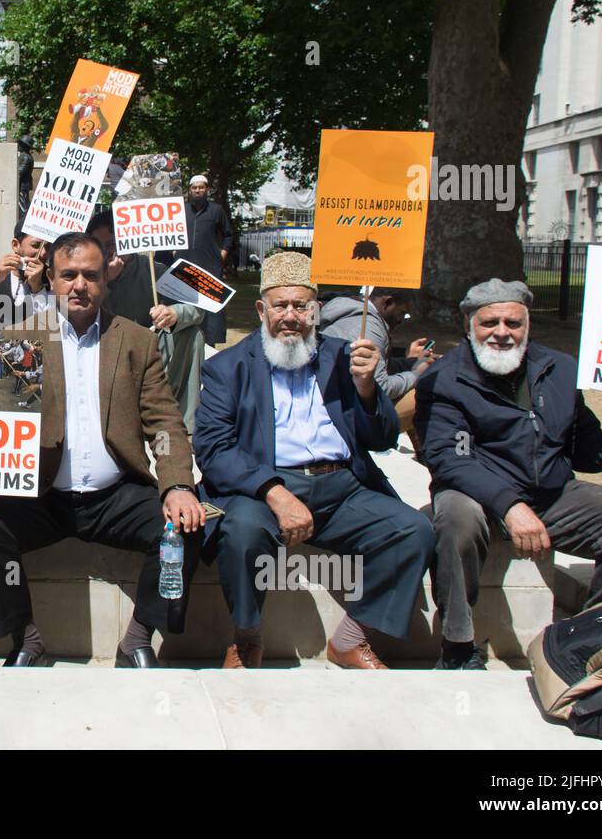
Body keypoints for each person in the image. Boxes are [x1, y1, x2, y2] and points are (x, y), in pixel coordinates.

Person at [0, 231, 205, 668]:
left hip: (116, 495)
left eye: (90, 275)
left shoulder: (135, 341)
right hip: (43, 494)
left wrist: (178, 485)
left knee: (183, 528)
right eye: (68, 275)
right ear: (50, 279)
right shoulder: (17, 340)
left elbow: (164, 422)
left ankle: (138, 637)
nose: (79, 285)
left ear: (105, 281)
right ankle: (26, 637)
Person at [195, 252, 435, 670]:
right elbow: (214, 449)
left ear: (316, 310)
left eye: (301, 305)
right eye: (280, 305)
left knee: (413, 529)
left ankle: (350, 639)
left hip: (342, 486)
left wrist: (366, 389)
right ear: (261, 309)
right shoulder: (227, 368)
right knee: (242, 532)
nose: (291, 316)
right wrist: (275, 494)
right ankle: (246, 638)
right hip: (265, 486)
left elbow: (380, 438)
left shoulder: (346, 358)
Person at [416, 279, 602, 670]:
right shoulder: (443, 379)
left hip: (551, 496)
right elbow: (449, 459)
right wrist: (510, 506)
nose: (501, 332)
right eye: (489, 322)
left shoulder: (560, 370)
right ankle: (458, 645)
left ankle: (594, 639)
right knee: (455, 521)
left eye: (513, 323)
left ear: (527, 324)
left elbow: (583, 444)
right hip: (476, 494)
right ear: (469, 324)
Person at [86, 210, 205, 433]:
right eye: (100, 244)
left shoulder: (156, 270)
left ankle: (185, 424)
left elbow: (197, 307)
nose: (108, 251)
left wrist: (175, 313)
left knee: (193, 335)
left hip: (148, 351)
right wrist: (105, 281)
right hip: (104, 352)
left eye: (113, 243)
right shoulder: (85, 274)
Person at [319, 287, 438, 436]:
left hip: (338, 402)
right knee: (426, 389)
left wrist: (412, 361)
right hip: (345, 416)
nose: (402, 320)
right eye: (402, 313)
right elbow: (381, 387)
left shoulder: (355, 315)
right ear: (388, 303)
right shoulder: (368, 326)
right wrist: (416, 374)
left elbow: (378, 366)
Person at [171, 174, 232, 346]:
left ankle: (209, 344)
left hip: (210, 266)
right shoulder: (180, 210)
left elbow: (228, 235)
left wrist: (223, 254)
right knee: (183, 303)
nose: (198, 190)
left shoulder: (216, 210)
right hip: (184, 266)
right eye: (194, 187)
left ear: (207, 189)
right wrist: (173, 250)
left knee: (211, 308)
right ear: (189, 190)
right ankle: (183, 343)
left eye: (201, 187)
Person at [0, 224, 51, 336]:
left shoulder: (52, 278)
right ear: (16, 245)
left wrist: (37, 288)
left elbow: (49, 330)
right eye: (36, 245)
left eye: (48, 247)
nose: (43, 253)